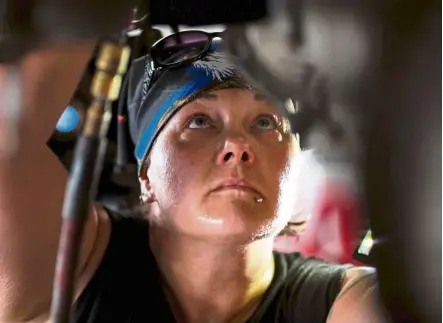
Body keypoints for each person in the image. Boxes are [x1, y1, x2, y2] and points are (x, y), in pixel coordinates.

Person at [0, 31, 387, 323]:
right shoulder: (71, 259)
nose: (238, 143)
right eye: (199, 121)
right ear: (146, 173)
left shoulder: (342, 301)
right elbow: (7, 135)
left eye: (266, 122)